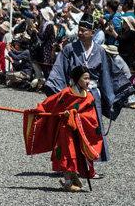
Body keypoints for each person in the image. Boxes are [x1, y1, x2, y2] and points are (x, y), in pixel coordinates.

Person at [44, 17, 114, 168]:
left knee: (92, 128)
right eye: (79, 30)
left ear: (92, 32)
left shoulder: (100, 51)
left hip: (93, 95)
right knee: (72, 128)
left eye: (84, 30)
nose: (80, 33)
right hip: (75, 94)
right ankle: (72, 163)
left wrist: (110, 99)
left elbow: (106, 76)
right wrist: (59, 92)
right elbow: (59, 69)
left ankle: (91, 164)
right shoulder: (69, 48)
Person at [24, 66, 103, 192]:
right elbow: (51, 102)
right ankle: (67, 182)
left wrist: (75, 116)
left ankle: (73, 175)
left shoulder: (89, 97)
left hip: (80, 130)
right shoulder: (67, 93)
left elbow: (91, 116)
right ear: (77, 79)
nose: (88, 81)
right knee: (68, 153)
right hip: (65, 129)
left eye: (89, 78)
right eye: (85, 78)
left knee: (78, 153)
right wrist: (38, 110)